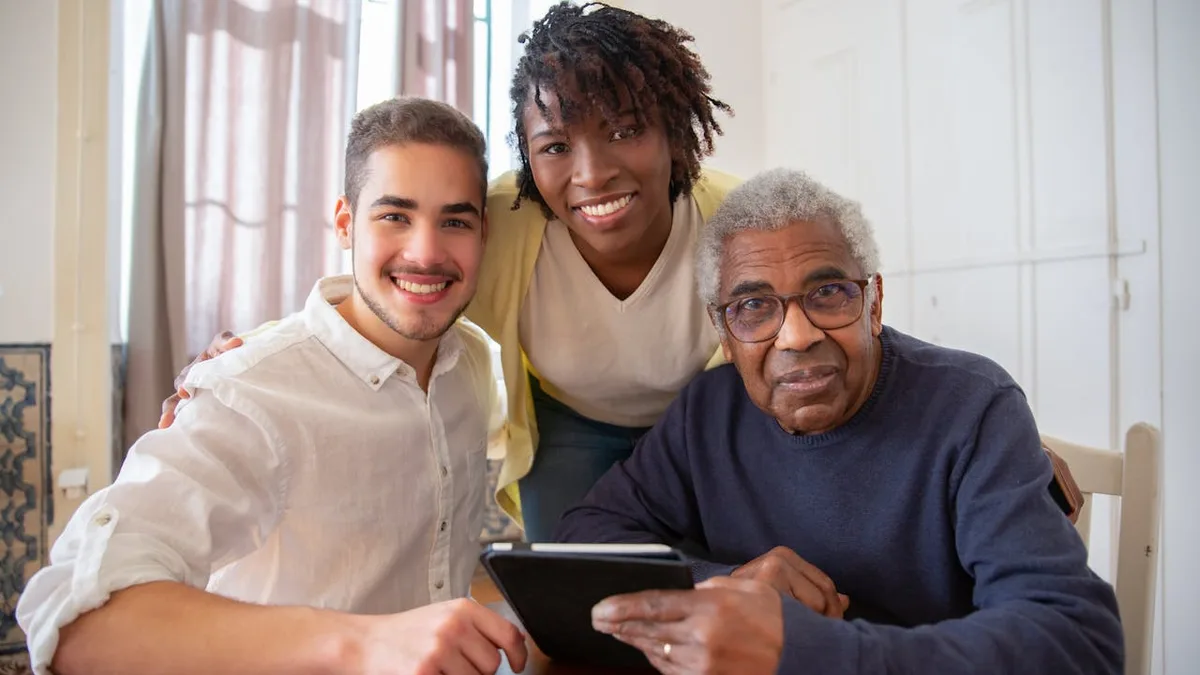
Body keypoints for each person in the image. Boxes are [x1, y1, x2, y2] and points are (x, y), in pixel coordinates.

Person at [160, 1, 741, 542]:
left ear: (674, 131)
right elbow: (388, 294)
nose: (591, 174)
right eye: (557, 146)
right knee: (575, 590)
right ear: (530, 155)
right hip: (572, 422)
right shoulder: (503, 222)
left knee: (720, 571)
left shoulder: (738, 224)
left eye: (624, 131)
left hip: (705, 419)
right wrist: (241, 356)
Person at [16, 98, 528, 675]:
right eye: (394, 216)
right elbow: (77, 626)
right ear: (344, 224)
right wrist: (360, 644)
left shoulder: (474, 367)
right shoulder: (249, 390)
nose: (427, 252)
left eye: (454, 221)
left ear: (484, 232)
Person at [556, 168, 1125, 674]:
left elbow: (1076, 642)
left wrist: (800, 650)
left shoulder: (972, 408)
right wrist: (724, 585)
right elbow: (584, 538)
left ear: (874, 303)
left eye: (828, 293)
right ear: (723, 334)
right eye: (753, 306)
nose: (798, 336)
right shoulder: (707, 412)